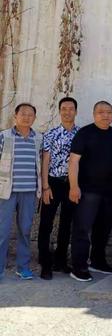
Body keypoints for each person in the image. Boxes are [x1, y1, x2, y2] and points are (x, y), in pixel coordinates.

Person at [68, 101, 112, 282]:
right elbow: (74, 161)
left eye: (109, 112)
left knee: (103, 229)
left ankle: (98, 261)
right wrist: (74, 186)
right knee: (82, 229)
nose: (105, 115)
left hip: (109, 191)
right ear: (94, 114)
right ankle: (79, 266)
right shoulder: (85, 133)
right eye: (101, 112)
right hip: (87, 191)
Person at [38, 97, 79, 280]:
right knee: (46, 224)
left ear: (76, 111)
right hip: (53, 183)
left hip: (71, 183)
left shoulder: (81, 134)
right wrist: (45, 186)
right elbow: (45, 160)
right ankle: (45, 263)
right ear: (59, 111)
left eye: (71, 109)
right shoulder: (51, 133)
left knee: (66, 223)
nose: (67, 112)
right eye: (64, 109)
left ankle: (61, 261)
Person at [0, 103, 42, 280]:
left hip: (29, 191)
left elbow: (41, 163)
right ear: (15, 116)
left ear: (34, 118)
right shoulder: (4, 136)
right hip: (6, 191)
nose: (26, 117)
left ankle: (22, 267)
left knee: (25, 230)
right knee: (2, 231)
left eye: (30, 114)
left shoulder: (38, 138)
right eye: (23, 114)